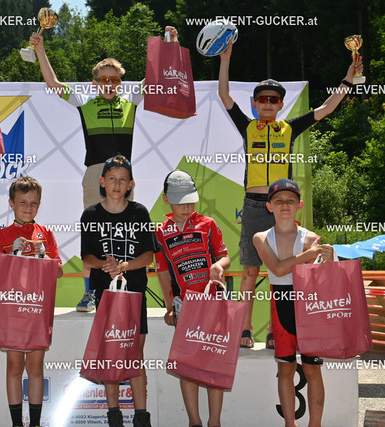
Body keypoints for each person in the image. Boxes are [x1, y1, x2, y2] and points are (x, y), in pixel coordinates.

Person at [218, 40, 363, 348]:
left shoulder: (289, 128)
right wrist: (225, 58)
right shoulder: (248, 127)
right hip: (254, 205)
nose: (267, 103)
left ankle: (277, 331)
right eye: (262, 99)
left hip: (282, 208)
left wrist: (349, 78)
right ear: (255, 104)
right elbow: (224, 96)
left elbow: (326, 108)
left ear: (281, 104)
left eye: (273, 99)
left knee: (283, 273)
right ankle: (244, 330)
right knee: (250, 271)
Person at [30, 26, 178, 312]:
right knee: (94, 232)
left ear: (120, 82)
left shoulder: (130, 101)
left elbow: (154, 76)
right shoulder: (85, 102)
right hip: (95, 173)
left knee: (126, 232)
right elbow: (53, 83)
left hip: (124, 175)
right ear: (95, 82)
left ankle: (125, 285)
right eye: (104, 79)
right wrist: (40, 49)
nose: (109, 84)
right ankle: (90, 292)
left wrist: (169, 46)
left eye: (114, 79)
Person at [80, 155, 157, 427]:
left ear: (131, 184)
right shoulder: (90, 215)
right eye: (112, 178)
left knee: (135, 355)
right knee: (110, 355)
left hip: (135, 295)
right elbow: (87, 258)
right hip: (106, 297)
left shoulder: (140, 212)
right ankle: (114, 416)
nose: (117, 184)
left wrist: (124, 265)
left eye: (123, 179)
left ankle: (141, 417)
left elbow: (149, 256)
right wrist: (107, 266)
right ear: (102, 182)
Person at [253, 178, 333, 427]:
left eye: (290, 200)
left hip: (308, 306)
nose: (285, 205)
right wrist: (308, 255)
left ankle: (315, 424)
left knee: (312, 369)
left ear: (300, 205)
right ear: (269, 207)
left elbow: (325, 278)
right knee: (286, 369)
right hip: (281, 305)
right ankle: (290, 424)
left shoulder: (311, 238)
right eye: (278, 201)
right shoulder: (261, 238)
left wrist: (330, 260)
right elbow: (277, 269)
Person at [154, 170, 230, 427]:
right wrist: (169, 307)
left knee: (213, 362)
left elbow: (224, 256)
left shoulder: (208, 224)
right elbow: (163, 271)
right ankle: (194, 421)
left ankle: (215, 422)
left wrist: (218, 265)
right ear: (166, 200)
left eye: (190, 201)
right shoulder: (161, 231)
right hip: (183, 304)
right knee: (187, 366)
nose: (186, 207)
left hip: (212, 302)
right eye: (180, 201)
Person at [0, 176, 63, 427]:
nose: (28, 208)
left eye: (33, 203)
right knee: (14, 366)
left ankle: (36, 423)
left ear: (39, 204)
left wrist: (44, 257)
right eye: (23, 202)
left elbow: (59, 272)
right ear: (11, 203)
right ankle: (17, 424)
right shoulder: (3, 235)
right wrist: (11, 254)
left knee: (36, 367)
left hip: (37, 308)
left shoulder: (46, 234)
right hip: (13, 309)